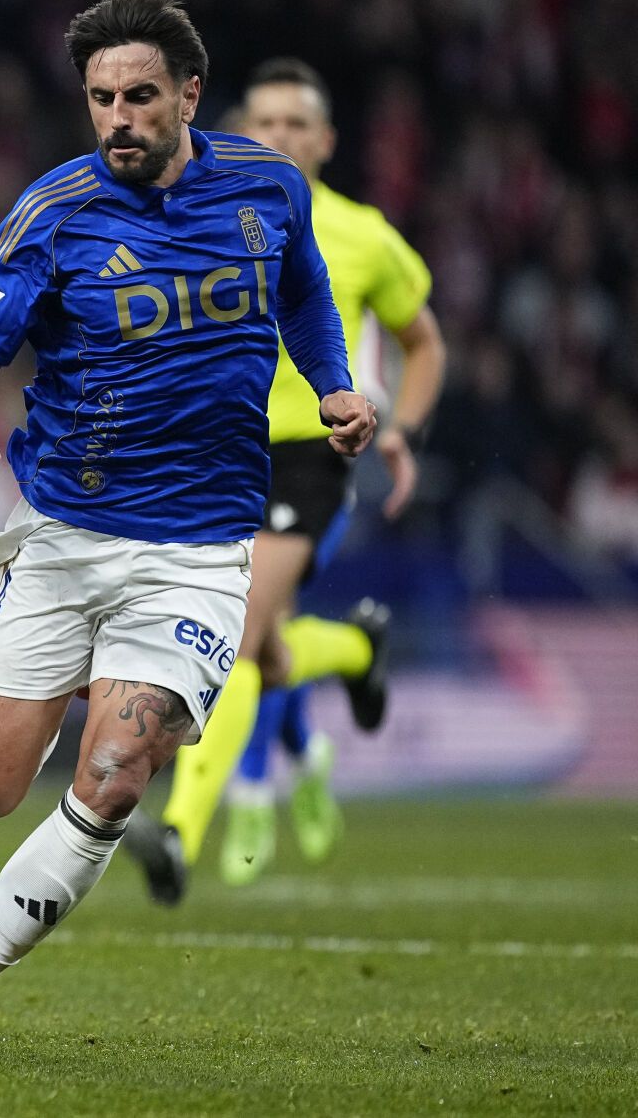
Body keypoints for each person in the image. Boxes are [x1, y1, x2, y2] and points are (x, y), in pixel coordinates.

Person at [0, 0, 374, 1051]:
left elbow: (300, 291)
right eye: (99, 98)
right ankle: (87, 664)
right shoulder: (52, 211)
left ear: (189, 97)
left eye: (138, 96)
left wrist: (332, 383)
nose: (116, 117)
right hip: (64, 534)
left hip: (200, 548)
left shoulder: (266, 189)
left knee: (116, 768)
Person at [120, 59, 444, 894]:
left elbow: (424, 341)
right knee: (260, 644)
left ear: (327, 140)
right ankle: (352, 645)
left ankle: (180, 834)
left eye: (298, 124)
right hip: (215, 450)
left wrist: (402, 430)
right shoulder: (199, 213)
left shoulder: (364, 234)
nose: (282, 137)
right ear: (235, 129)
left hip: (310, 453)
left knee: (230, 638)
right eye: (265, 122)